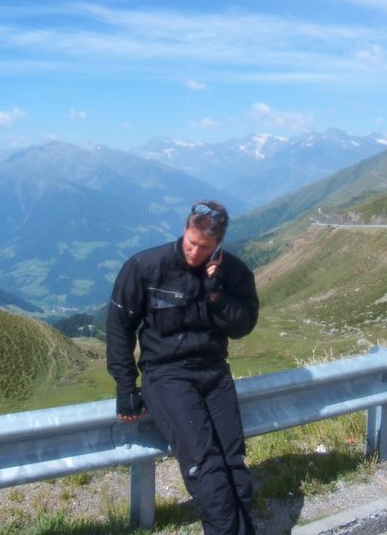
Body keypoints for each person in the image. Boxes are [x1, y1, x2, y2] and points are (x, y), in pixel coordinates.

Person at [106, 200, 259, 535]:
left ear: (217, 243)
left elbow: (243, 325)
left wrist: (216, 296)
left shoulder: (233, 272)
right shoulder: (145, 266)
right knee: (205, 468)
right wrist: (125, 386)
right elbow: (119, 327)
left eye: (204, 247)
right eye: (191, 242)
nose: (194, 252)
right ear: (185, 230)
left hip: (214, 372)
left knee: (233, 464)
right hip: (166, 375)